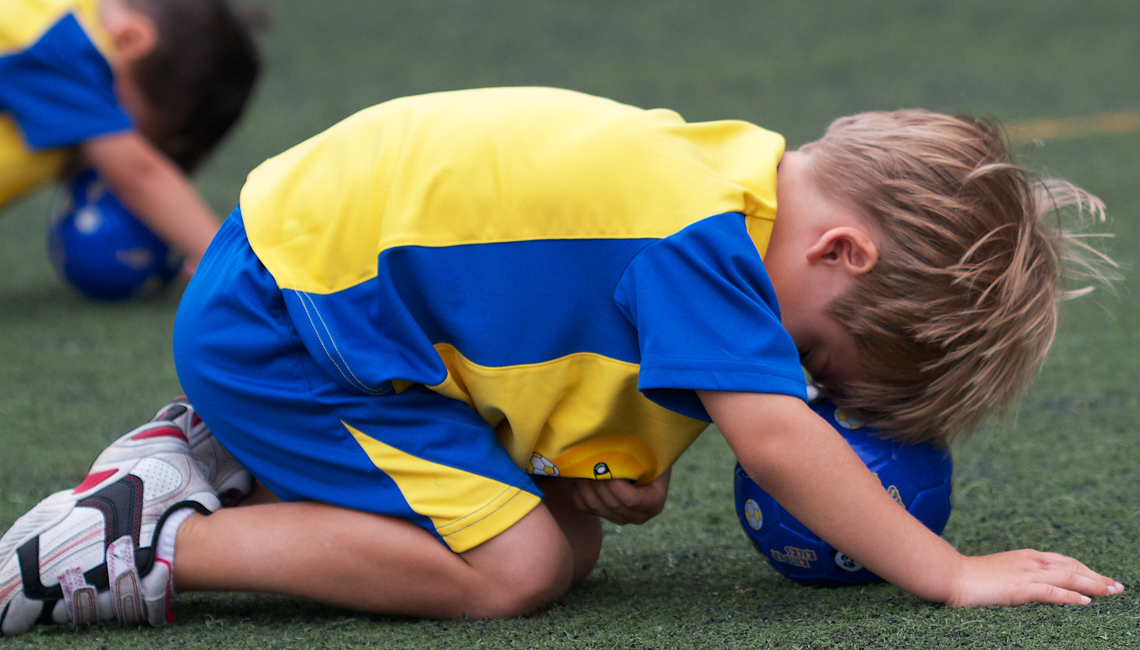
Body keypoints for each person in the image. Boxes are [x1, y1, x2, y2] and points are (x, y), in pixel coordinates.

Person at [0, 87, 1123, 634]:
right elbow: (777, 439)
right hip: (288, 328)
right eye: (816, 357)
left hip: (314, 305)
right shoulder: (703, 239)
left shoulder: (725, 188)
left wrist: (593, 467)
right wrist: (945, 568)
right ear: (840, 249)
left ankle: (223, 456)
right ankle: (144, 542)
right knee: (515, 571)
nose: (797, 388)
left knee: (569, 533)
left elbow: (531, 313)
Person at [0, 0, 260, 276]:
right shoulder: (55, 42)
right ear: (130, 39)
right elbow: (141, 176)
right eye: (126, 130)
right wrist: (226, 265)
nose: (107, 165)